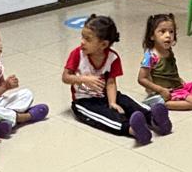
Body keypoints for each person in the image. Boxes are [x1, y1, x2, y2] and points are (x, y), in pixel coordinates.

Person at [63, 14, 171, 145]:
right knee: (106, 116)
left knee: (127, 102)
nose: (82, 42)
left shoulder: (112, 58)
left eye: (87, 39)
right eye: (82, 37)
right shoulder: (77, 54)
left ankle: (154, 119)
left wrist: (112, 102)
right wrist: (83, 79)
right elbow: (66, 77)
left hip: (107, 95)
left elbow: (111, 82)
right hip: (85, 101)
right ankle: (133, 130)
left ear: (103, 44)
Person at [138, 13, 192, 111]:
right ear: (152, 36)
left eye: (171, 32)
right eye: (162, 31)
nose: (168, 35)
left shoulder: (168, 51)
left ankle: (178, 96)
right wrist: (160, 90)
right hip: (165, 90)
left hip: (177, 85)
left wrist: (180, 80)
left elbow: (170, 71)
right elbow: (141, 79)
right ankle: (160, 104)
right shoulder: (150, 56)